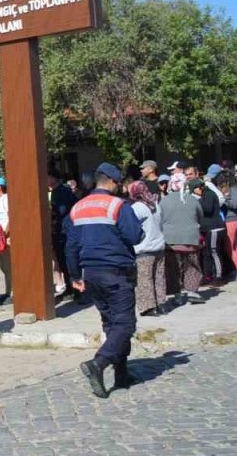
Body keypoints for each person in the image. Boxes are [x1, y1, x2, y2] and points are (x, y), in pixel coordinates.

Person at [65, 163, 144, 399]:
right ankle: (97, 364)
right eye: (119, 183)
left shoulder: (77, 208)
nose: (120, 187)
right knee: (126, 324)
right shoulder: (118, 205)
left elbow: (71, 246)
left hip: (91, 273)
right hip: (116, 270)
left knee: (111, 323)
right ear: (110, 181)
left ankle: (121, 373)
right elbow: (135, 236)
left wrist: (75, 275)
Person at [161, 178, 206, 304]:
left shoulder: (164, 201)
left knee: (174, 269)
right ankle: (193, 292)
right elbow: (200, 216)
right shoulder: (192, 199)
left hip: (171, 241)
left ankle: (177, 295)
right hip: (191, 239)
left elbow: (160, 219)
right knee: (192, 266)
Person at [128, 181, 168, 316]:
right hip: (159, 246)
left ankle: (149, 307)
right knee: (159, 277)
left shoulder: (136, 207)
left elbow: (132, 227)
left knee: (145, 279)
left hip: (144, 248)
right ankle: (161, 303)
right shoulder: (155, 204)